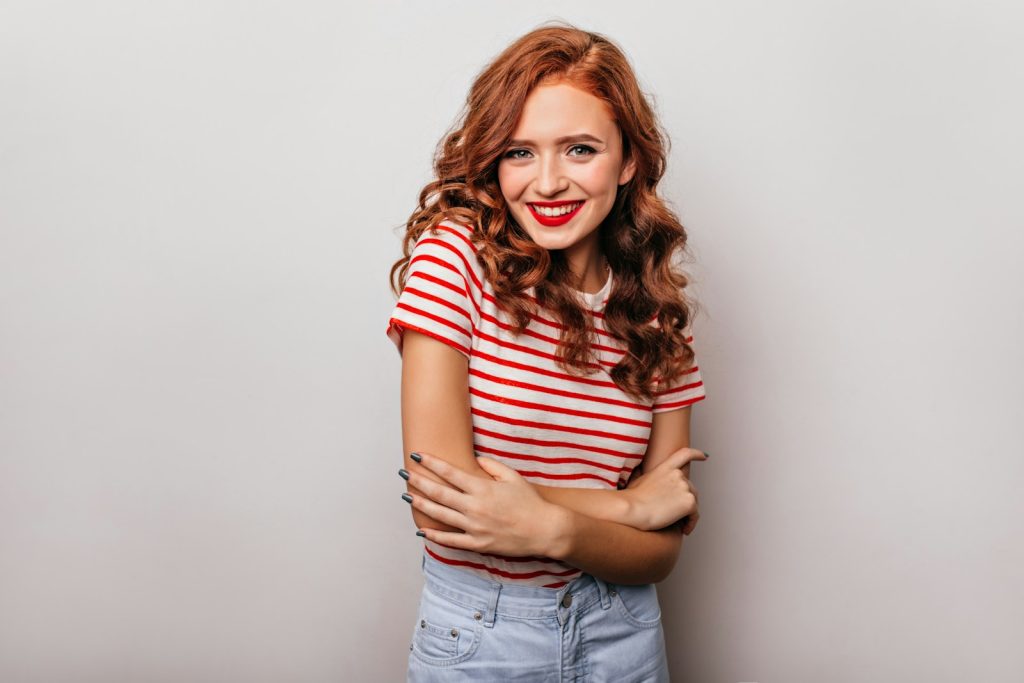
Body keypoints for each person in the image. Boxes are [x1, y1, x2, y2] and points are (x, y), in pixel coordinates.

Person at [385, 22, 709, 682]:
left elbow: (661, 547)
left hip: (626, 630)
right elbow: (441, 503)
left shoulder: (656, 316)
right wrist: (624, 508)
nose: (548, 182)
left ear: (628, 162)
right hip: (483, 636)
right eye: (520, 153)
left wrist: (552, 528)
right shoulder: (454, 260)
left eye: (580, 149)